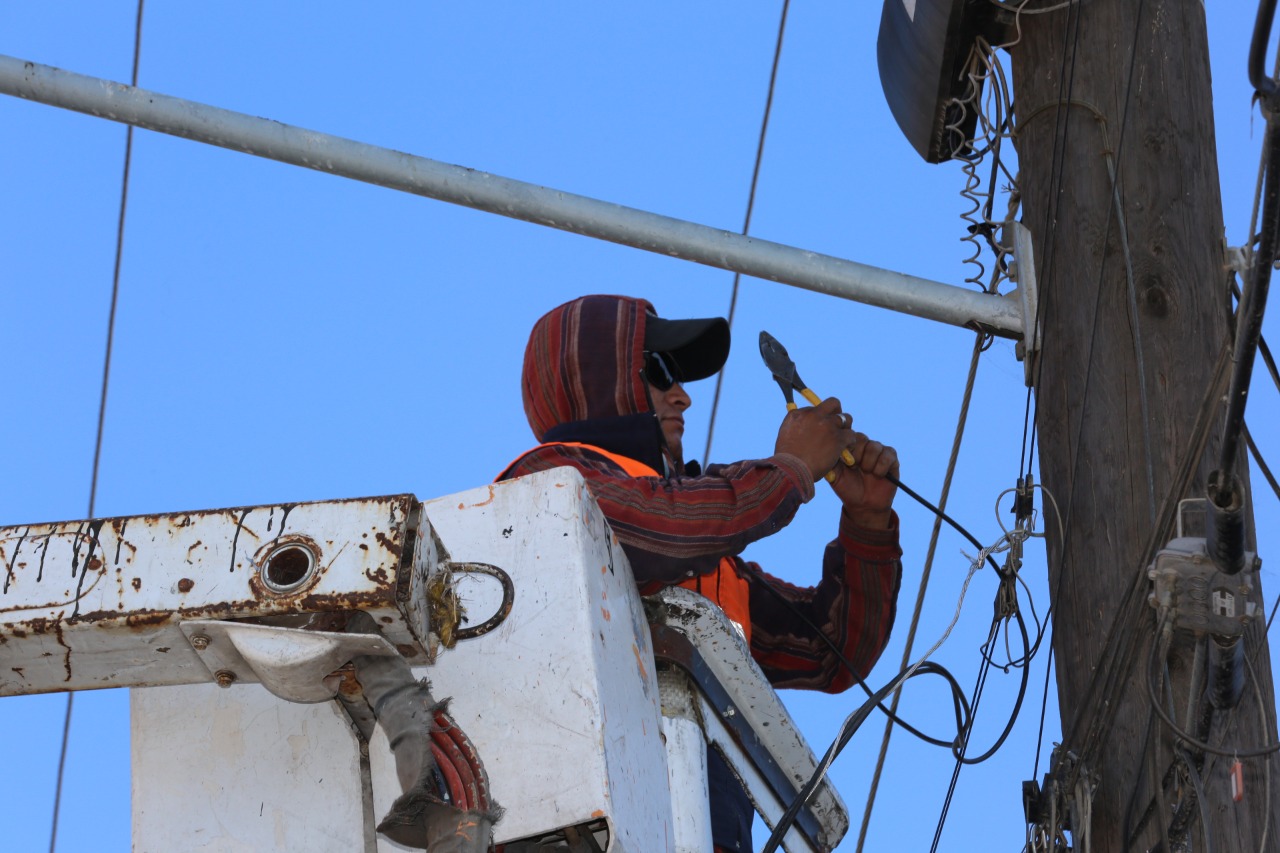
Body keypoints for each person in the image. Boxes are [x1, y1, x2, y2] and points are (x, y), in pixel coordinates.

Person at [499, 294, 902, 853]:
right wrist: (788, 471)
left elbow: (833, 652)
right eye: (660, 372)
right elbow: (664, 523)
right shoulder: (549, 483)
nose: (682, 396)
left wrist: (867, 522)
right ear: (597, 381)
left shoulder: (704, 556)